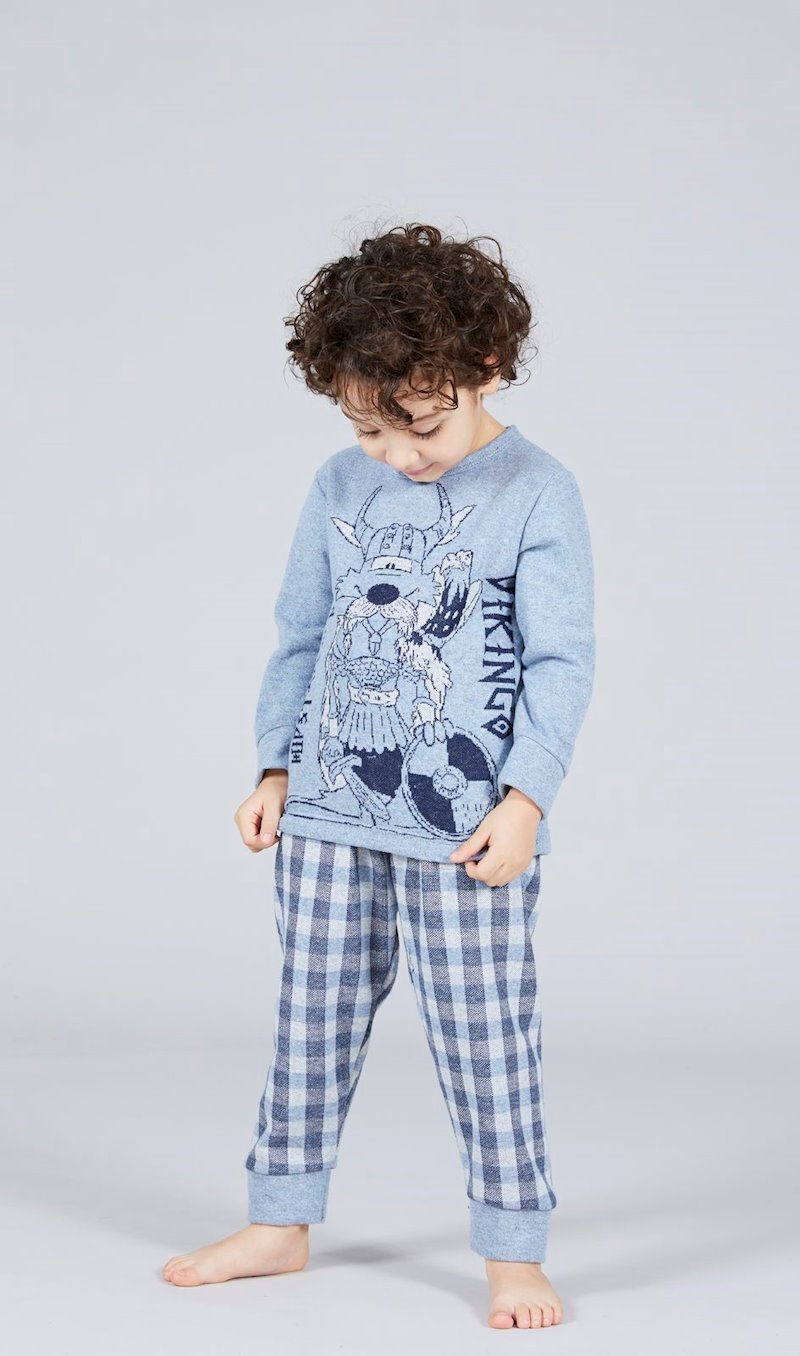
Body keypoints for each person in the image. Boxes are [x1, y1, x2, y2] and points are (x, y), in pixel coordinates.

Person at [162, 222, 596, 1330]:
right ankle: (279, 1220)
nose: (396, 455)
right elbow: (301, 634)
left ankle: (512, 1248)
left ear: (483, 368)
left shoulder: (537, 491)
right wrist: (274, 765)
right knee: (307, 1019)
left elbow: (559, 662)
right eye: (367, 429)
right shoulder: (336, 487)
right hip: (326, 814)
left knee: (486, 1040)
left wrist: (526, 800)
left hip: (466, 831)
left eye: (420, 426)